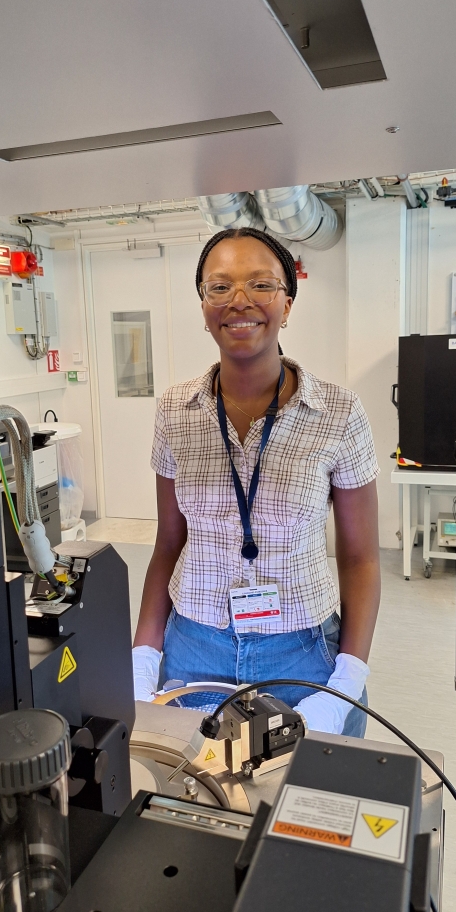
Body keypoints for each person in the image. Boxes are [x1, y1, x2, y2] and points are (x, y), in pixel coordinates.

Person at [132, 226, 381, 736]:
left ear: (287, 303)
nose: (239, 300)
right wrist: (142, 655)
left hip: (302, 656)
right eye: (219, 287)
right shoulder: (175, 411)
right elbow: (167, 543)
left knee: (302, 806)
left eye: (261, 285)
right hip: (193, 649)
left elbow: (361, 557)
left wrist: (349, 676)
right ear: (203, 307)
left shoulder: (339, 412)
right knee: (194, 802)